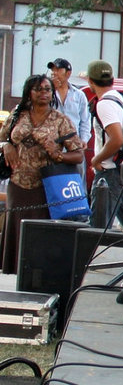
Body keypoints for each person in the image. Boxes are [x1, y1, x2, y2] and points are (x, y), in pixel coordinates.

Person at [2, 73, 85, 272]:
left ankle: (37, 276)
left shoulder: (60, 120)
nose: (43, 93)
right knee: (15, 229)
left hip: (46, 188)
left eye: (47, 89)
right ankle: (12, 274)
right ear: (29, 92)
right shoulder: (17, 115)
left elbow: (78, 155)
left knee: (38, 236)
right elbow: (2, 137)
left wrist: (57, 154)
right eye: (38, 89)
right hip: (18, 184)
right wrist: (5, 145)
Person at [85, 60, 123, 228]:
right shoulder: (119, 99)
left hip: (108, 173)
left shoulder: (104, 104)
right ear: (112, 80)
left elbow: (116, 139)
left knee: (98, 226)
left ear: (90, 81)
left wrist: (96, 160)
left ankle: (92, 254)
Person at [47, 57, 93, 172]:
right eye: (53, 70)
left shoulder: (79, 95)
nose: (54, 73)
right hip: (53, 145)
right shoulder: (47, 94)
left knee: (75, 180)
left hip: (73, 145)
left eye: (58, 70)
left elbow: (85, 120)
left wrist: (84, 139)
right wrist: (52, 89)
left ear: (68, 73)